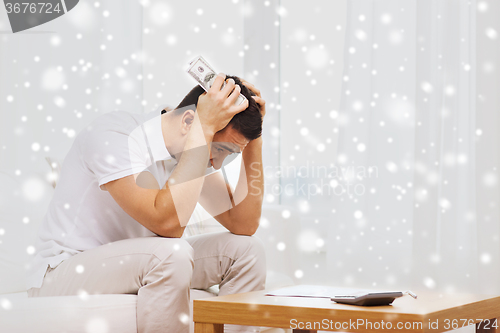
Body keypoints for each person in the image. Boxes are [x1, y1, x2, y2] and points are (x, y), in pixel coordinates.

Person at [26, 73, 267, 333]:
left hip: (136, 265)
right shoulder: (115, 135)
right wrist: (205, 129)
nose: (217, 164)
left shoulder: (193, 150)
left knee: (246, 251)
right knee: (171, 253)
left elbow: (245, 223)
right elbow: (167, 225)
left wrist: (254, 139)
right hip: (63, 271)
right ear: (189, 121)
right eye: (220, 150)